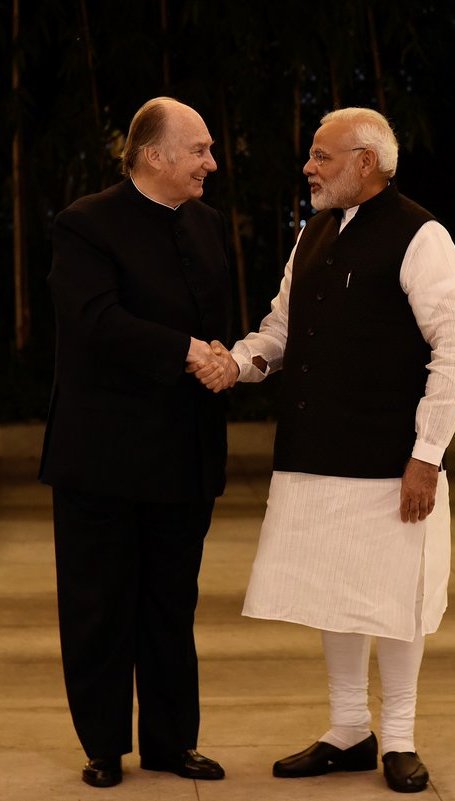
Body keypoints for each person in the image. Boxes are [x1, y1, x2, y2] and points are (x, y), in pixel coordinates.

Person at [194, 106, 455, 793]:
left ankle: (401, 738)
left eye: (322, 156)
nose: (309, 167)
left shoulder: (422, 235)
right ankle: (349, 727)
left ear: (365, 163)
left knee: (395, 596)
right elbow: (281, 329)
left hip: (390, 456)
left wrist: (427, 454)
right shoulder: (312, 234)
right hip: (315, 448)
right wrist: (239, 362)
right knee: (336, 592)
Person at [39, 97, 230, 788]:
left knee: (171, 605)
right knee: (98, 606)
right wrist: (188, 351)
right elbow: (96, 321)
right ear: (156, 155)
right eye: (201, 149)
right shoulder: (84, 224)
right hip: (103, 457)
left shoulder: (206, 224)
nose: (212, 162)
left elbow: (218, 323)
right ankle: (103, 747)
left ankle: (172, 743)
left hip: (183, 452)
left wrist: (223, 356)